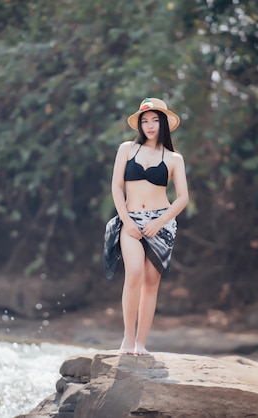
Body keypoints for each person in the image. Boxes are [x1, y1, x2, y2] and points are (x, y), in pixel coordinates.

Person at [103, 97, 189, 355]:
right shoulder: (127, 149)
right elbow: (117, 187)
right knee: (135, 273)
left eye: (154, 120)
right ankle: (128, 339)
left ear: (163, 123)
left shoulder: (174, 158)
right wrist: (127, 221)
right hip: (130, 221)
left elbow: (183, 197)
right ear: (139, 125)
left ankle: (141, 342)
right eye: (145, 121)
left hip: (160, 223)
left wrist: (159, 222)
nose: (150, 126)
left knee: (151, 283)